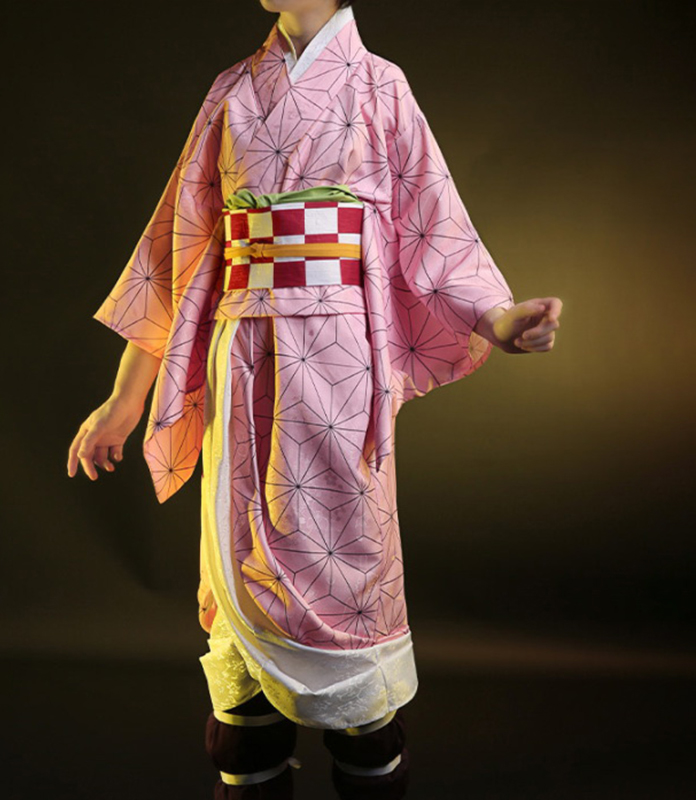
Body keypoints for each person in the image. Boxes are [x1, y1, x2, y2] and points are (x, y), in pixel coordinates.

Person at [67, 1, 563, 797]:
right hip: (240, 357)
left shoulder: (380, 86)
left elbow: (435, 230)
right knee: (238, 558)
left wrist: (499, 320)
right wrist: (125, 399)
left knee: (345, 557)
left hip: (338, 362)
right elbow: (176, 251)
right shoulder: (232, 91)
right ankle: (248, 742)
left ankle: (364, 734)